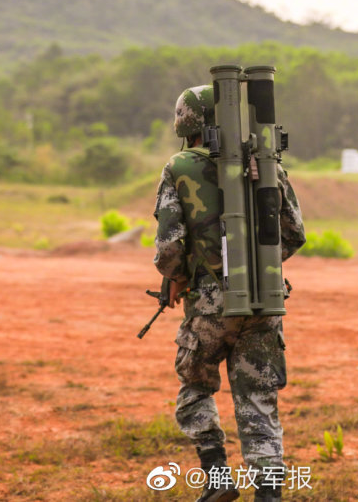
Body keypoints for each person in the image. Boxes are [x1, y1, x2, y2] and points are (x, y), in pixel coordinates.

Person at [153, 85, 306, 502]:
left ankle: (217, 478)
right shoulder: (268, 164)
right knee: (258, 400)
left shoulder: (179, 166)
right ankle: (269, 496)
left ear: (188, 123)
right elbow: (294, 234)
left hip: (208, 304)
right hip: (265, 299)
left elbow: (169, 247)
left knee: (195, 388)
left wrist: (181, 278)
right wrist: (260, 268)